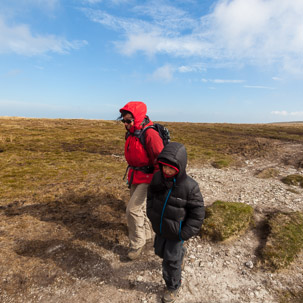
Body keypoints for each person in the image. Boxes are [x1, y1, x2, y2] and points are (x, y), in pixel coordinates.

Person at [147, 142, 205, 303]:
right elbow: (150, 194)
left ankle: (173, 286)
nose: (167, 171)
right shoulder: (158, 177)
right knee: (159, 252)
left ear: (180, 167)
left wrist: (183, 233)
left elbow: (198, 214)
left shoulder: (190, 187)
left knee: (170, 262)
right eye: (164, 166)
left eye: (171, 168)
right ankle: (180, 256)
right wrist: (150, 213)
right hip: (159, 227)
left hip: (175, 233)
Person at [119, 101, 164, 260]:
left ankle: (137, 244)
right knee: (141, 209)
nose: (125, 123)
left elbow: (160, 158)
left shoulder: (150, 134)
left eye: (128, 120)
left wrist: (158, 181)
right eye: (123, 120)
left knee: (132, 209)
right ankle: (146, 236)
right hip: (135, 175)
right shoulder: (131, 132)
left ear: (137, 118)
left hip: (148, 177)